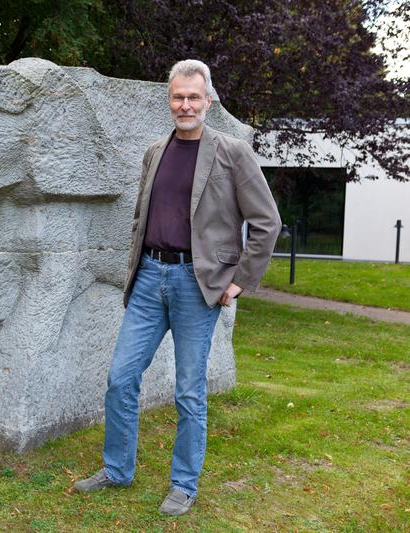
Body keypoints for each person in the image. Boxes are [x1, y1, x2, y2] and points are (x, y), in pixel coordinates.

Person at [74, 59, 280, 516]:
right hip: (150, 278)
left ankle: (183, 484)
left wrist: (240, 281)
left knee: (189, 390)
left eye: (193, 97)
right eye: (178, 97)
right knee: (120, 378)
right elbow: (139, 218)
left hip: (197, 284)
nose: (185, 104)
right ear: (169, 101)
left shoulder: (231, 153)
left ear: (208, 101)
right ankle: (117, 469)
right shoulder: (155, 152)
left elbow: (267, 222)